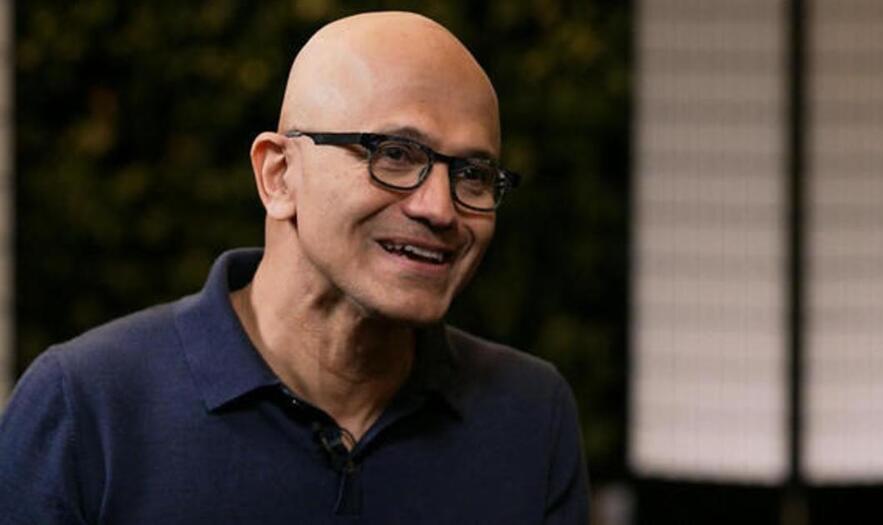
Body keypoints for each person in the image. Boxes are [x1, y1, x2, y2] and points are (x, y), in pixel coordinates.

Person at [0, 11, 589, 524]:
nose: (439, 208)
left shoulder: (531, 416)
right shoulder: (86, 407)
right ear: (278, 175)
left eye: (474, 175)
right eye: (395, 154)